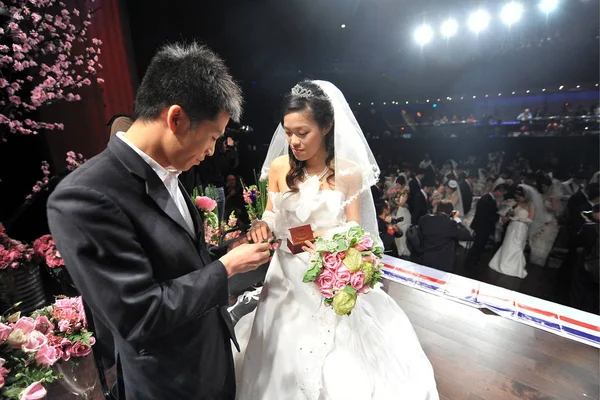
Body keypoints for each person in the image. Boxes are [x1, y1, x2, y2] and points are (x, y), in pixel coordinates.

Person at [46, 42, 271, 400]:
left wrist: (225, 250)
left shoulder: (171, 170)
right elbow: (139, 315)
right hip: (171, 382)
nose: (213, 151)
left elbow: (174, 261)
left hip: (212, 359)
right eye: (213, 137)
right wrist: (226, 268)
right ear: (176, 118)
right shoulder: (85, 196)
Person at [234, 80, 439, 399]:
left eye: (303, 132)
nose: (294, 142)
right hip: (287, 272)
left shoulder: (348, 173)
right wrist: (262, 223)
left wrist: (339, 251)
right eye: (288, 132)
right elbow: (273, 215)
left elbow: (356, 230)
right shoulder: (279, 167)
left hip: (328, 272)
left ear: (327, 126)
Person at [489, 186, 534, 278]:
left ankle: (513, 267)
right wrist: (510, 214)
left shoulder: (531, 205)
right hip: (512, 227)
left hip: (521, 228)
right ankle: (502, 262)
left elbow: (530, 220)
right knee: (507, 244)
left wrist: (515, 218)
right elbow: (513, 213)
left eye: (520, 196)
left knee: (517, 246)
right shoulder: (517, 203)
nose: (518, 198)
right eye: (517, 196)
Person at [419, 201, 473, 272]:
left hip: (425, 258)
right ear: (451, 212)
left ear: (437, 209)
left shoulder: (424, 219)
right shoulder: (451, 224)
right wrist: (457, 221)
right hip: (442, 263)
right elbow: (467, 235)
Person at [466, 184, 509, 268]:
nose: (501, 196)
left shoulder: (489, 198)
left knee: (479, 244)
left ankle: (473, 260)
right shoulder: (487, 199)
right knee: (478, 245)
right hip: (482, 225)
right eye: (502, 193)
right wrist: (499, 218)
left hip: (482, 225)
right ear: (498, 191)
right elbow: (487, 214)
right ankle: (471, 262)